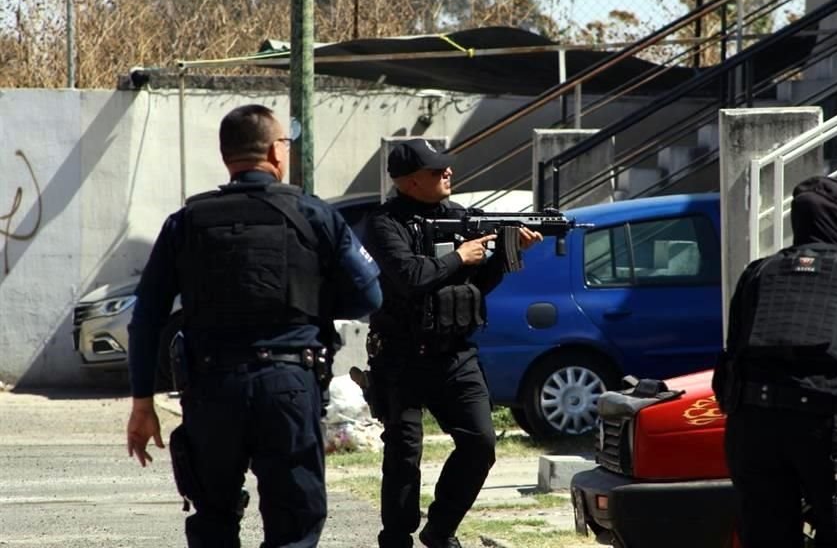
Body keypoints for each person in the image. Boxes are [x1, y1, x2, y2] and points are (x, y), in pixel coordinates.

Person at [125, 104, 382, 548]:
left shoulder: (186, 222)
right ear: (274, 153)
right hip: (289, 384)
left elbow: (146, 317)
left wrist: (142, 402)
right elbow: (369, 296)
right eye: (285, 142)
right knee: (294, 522)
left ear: (227, 157)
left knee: (214, 516)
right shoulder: (314, 214)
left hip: (211, 386)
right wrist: (307, 300)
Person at [713, 175, 837, 547]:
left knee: (766, 536)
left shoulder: (757, 272)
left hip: (754, 425)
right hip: (829, 427)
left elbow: (734, 348)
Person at [363, 138, 543, 548]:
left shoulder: (462, 218)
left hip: (454, 353)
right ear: (409, 182)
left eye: (446, 167)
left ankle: (440, 530)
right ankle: (396, 536)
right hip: (401, 355)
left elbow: (476, 286)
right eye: (435, 170)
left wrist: (507, 253)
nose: (447, 173)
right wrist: (459, 256)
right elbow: (409, 277)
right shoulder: (383, 223)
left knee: (481, 442)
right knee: (404, 453)